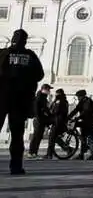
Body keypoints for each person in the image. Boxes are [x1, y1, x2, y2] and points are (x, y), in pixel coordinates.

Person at [0, 29, 45, 174]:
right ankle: (16, 167)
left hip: (1, 98)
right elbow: (40, 74)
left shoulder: (3, 53)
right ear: (25, 41)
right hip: (20, 100)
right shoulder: (30, 55)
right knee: (17, 135)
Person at [28, 83, 52, 158]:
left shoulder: (44, 98)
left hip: (42, 120)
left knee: (39, 137)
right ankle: (31, 152)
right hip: (38, 120)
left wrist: (50, 116)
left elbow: (46, 109)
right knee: (36, 136)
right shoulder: (39, 97)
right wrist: (38, 118)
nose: (49, 91)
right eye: (48, 89)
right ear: (43, 89)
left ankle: (34, 152)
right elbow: (36, 109)